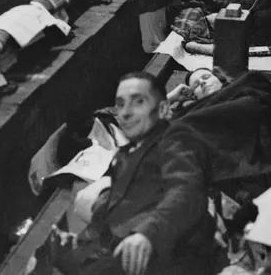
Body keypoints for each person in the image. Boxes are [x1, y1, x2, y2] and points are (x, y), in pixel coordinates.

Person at [50, 72, 214, 275]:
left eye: (138, 103)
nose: (127, 113)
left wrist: (147, 233)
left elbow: (186, 190)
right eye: (122, 105)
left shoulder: (175, 140)